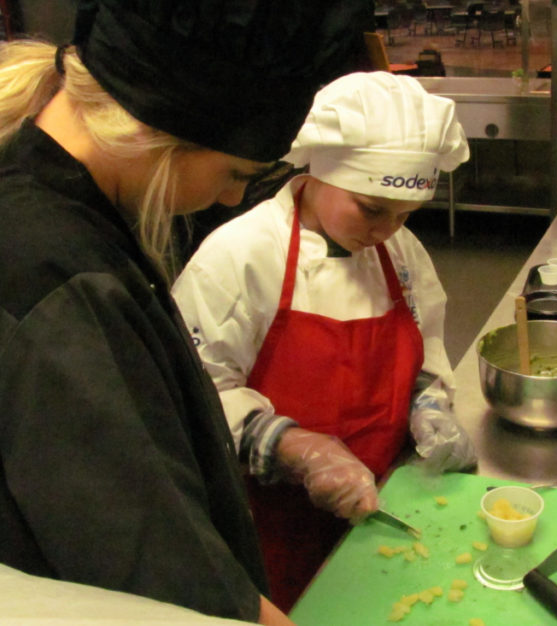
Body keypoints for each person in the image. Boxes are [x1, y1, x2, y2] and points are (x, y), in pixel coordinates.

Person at [0, 1, 372, 624]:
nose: (230, 197)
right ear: (152, 130)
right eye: (233, 173)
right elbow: (154, 573)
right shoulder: (57, 282)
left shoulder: (54, 191)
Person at [172, 71, 478, 611]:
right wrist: (297, 448)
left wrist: (429, 404)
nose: (388, 229)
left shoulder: (400, 253)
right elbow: (195, 390)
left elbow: (426, 345)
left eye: (406, 214)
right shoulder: (241, 255)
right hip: (272, 526)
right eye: (372, 209)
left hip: (383, 508)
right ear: (319, 173)